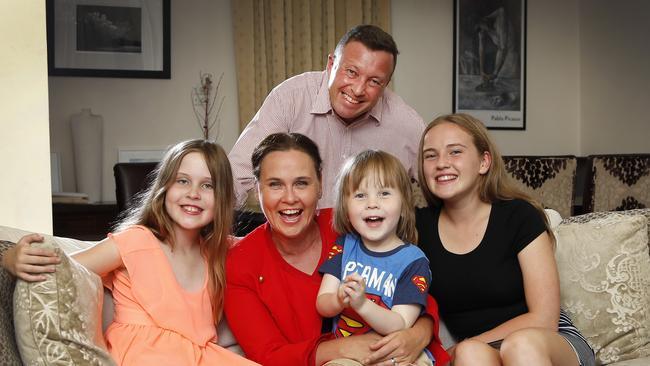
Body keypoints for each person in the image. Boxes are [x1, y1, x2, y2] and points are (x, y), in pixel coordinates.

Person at [2, 139, 259, 366]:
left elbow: (272, 248)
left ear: (222, 198)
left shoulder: (220, 251)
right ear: (164, 189)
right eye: (182, 181)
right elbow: (64, 269)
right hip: (145, 356)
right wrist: (9, 259)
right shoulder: (137, 241)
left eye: (207, 186)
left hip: (198, 357)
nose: (193, 194)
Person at [225, 133, 449, 366]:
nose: (290, 198)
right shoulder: (240, 263)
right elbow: (267, 355)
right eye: (275, 185)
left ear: (320, 184)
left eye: (302, 183)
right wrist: (339, 348)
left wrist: (417, 333)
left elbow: (408, 283)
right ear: (257, 188)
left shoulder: (350, 223)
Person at [415, 113, 595, 366]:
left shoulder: (519, 216)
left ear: (484, 162)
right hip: (480, 348)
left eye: (455, 152)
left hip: (548, 342)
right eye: (430, 155)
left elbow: (544, 318)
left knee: (519, 345)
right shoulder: (417, 227)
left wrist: (469, 343)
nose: (441, 163)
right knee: (470, 356)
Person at [228, 24, 425, 209]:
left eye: (374, 81)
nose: (357, 90)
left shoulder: (406, 124)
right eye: (351, 72)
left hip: (376, 243)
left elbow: (441, 183)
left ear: (386, 84)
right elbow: (236, 178)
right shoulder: (290, 99)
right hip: (297, 238)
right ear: (331, 64)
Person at [317, 150, 435, 366]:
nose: (372, 203)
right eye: (360, 195)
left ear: (403, 206)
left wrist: (362, 304)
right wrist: (338, 300)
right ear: (346, 207)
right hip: (349, 352)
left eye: (384, 193)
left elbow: (399, 324)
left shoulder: (414, 261)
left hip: (397, 352)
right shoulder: (345, 246)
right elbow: (322, 303)